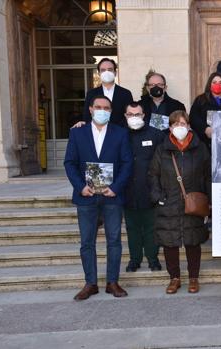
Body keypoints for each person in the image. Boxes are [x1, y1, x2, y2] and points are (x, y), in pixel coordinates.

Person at [64, 95, 133, 300]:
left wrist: (116, 187)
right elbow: (69, 163)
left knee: (114, 241)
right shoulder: (77, 133)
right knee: (87, 242)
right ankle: (90, 283)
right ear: (91, 110)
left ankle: (112, 282)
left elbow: (127, 163)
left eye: (106, 108)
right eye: (98, 107)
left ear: (111, 112)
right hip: (86, 196)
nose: (102, 110)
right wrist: (80, 187)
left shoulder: (120, 134)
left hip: (111, 196)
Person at [148, 110, 211, 294]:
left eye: (183, 124)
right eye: (176, 124)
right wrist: (158, 196)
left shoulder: (200, 149)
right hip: (169, 202)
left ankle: (193, 278)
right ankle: (174, 278)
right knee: (170, 243)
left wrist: (209, 200)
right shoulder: (162, 149)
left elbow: (208, 175)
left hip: (194, 202)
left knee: (193, 242)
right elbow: (153, 175)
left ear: (189, 126)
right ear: (170, 128)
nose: (179, 128)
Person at [123, 102, 165, 273]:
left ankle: (153, 259)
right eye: (131, 114)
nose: (135, 117)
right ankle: (134, 260)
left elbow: (163, 161)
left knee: (151, 228)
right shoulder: (120, 134)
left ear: (143, 115)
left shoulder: (156, 135)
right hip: (127, 191)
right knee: (132, 228)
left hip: (150, 191)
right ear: (125, 116)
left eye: (138, 114)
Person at [82, 58, 133, 127]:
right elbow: (87, 116)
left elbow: (130, 115)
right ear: (99, 73)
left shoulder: (126, 93)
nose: (106, 72)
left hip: (120, 133)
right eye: (103, 70)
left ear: (115, 72)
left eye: (110, 69)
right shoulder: (91, 93)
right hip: (97, 133)